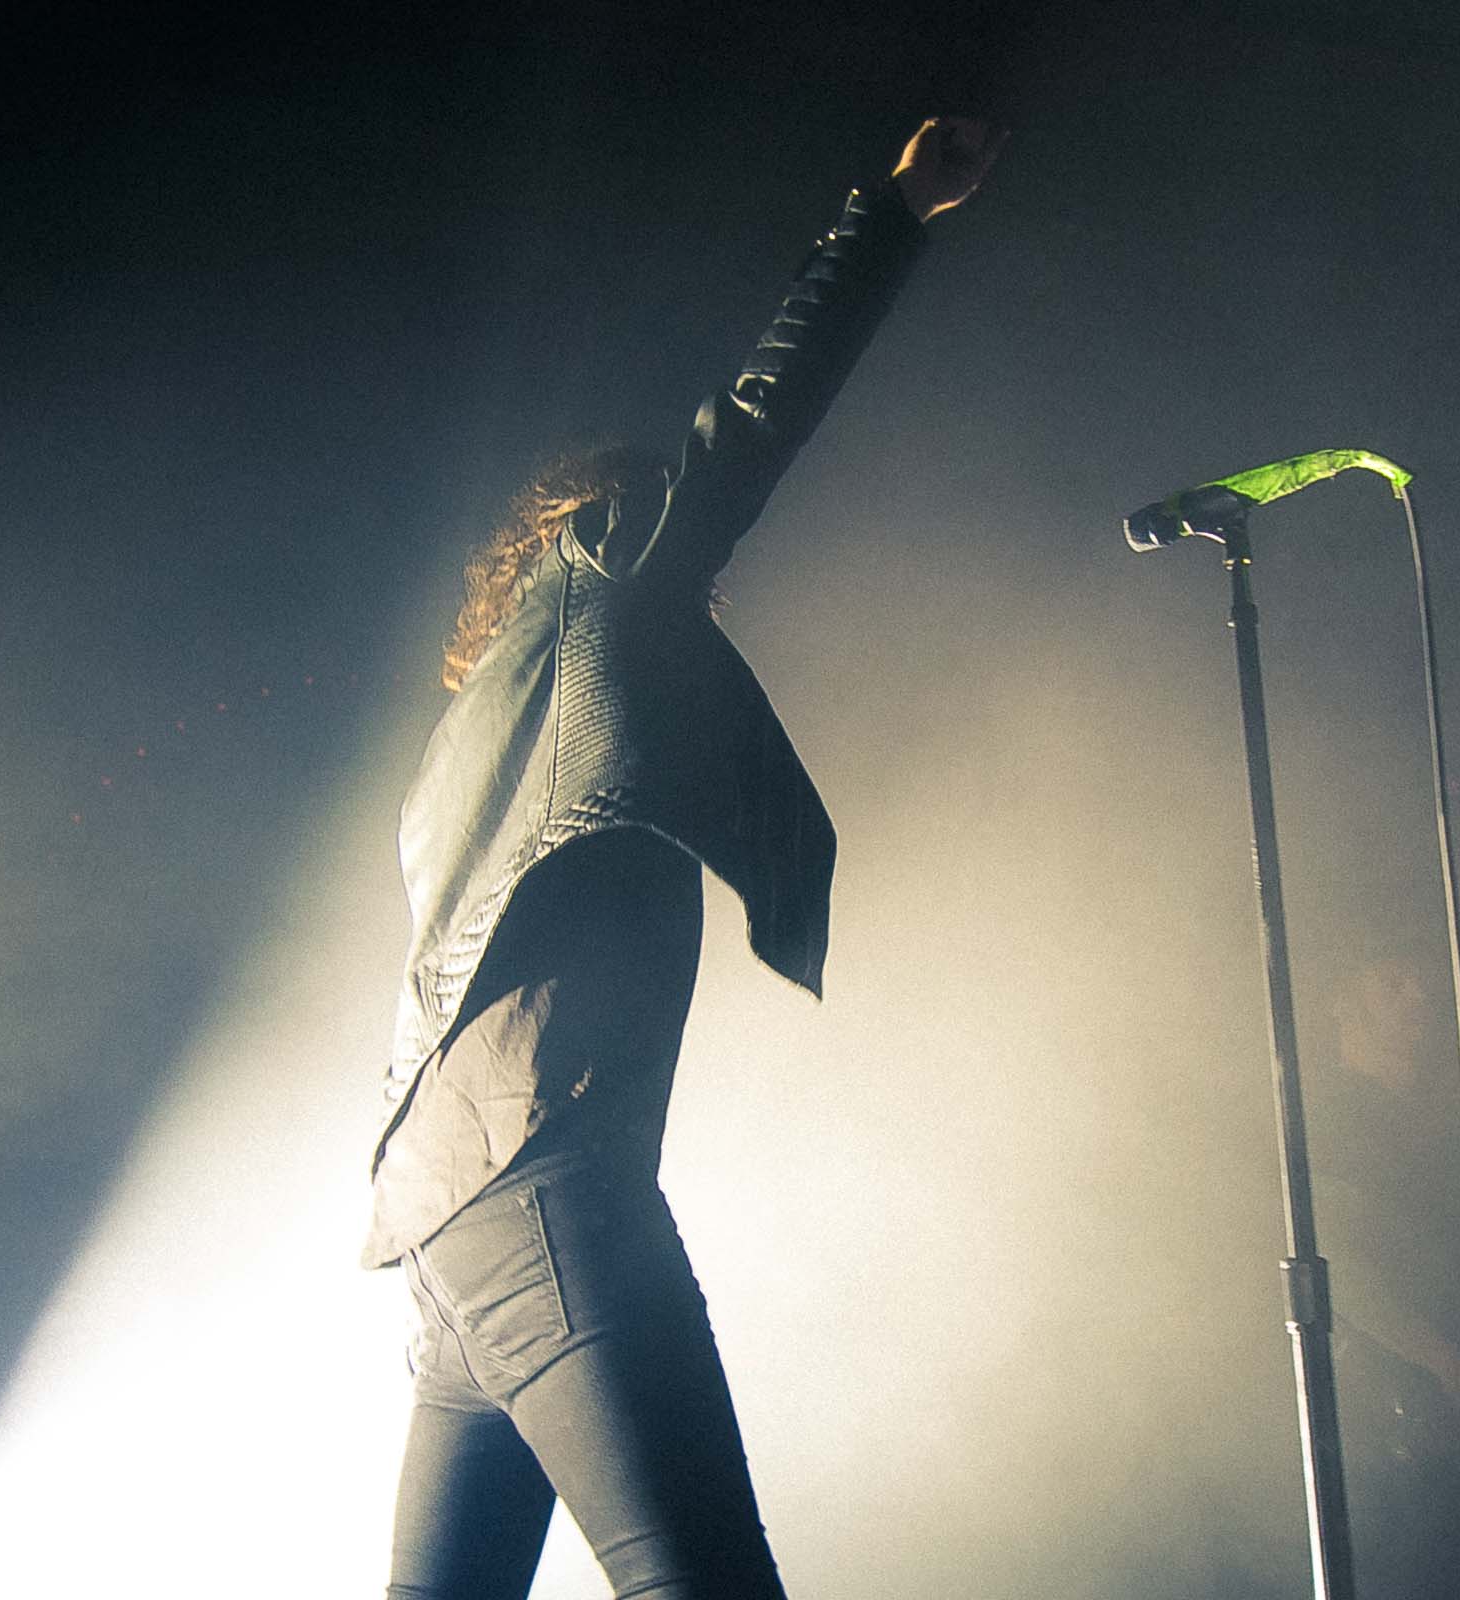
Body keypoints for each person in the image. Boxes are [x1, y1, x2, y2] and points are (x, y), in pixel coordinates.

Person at [363, 118, 1005, 1600]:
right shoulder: (609, 569)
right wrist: (894, 214)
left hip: (452, 1231)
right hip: (545, 1188)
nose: (707, 564)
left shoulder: (477, 729)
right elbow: (753, 427)